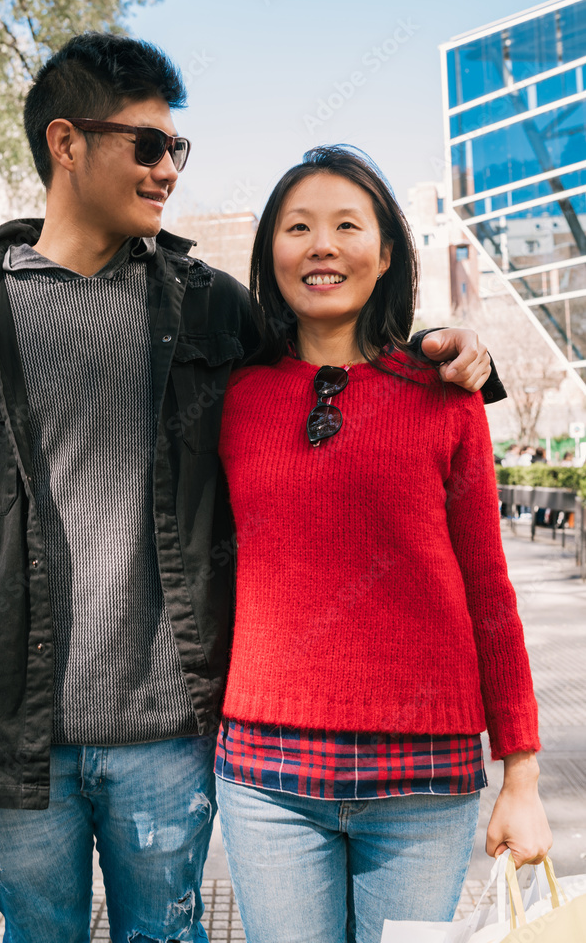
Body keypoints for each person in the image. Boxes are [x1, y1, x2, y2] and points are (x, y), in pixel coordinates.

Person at [0, 34, 501, 941]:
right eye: (148, 146)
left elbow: (333, 365)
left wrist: (453, 352)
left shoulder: (208, 306)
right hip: (9, 745)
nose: (168, 171)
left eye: (175, 150)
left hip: (170, 739)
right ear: (66, 144)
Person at [213, 146, 552, 943]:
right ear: (270, 253)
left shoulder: (447, 396)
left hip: (423, 780)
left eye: (345, 225)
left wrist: (523, 773)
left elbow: (488, 590)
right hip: (266, 775)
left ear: (387, 251)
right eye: (297, 227)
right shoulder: (228, 396)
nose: (320, 245)